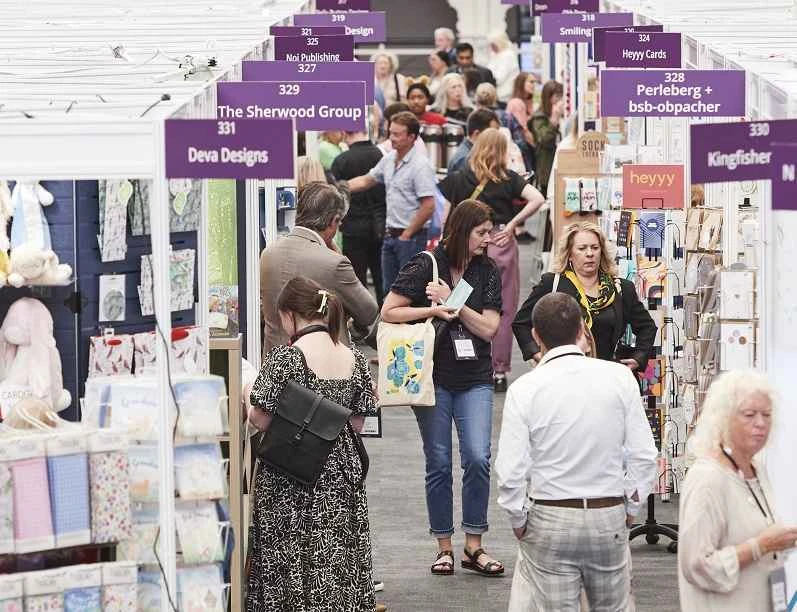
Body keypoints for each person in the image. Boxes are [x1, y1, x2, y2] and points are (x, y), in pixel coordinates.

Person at [496, 292, 658, 611]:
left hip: (550, 514)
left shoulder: (525, 389)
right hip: (607, 511)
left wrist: (518, 518)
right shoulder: (619, 378)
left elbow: (511, 470)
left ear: (536, 336)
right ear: (583, 329)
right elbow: (643, 455)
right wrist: (630, 507)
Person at [381, 200, 505, 578]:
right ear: (462, 231)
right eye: (481, 232)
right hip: (432, 376)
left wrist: (453, 301)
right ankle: (444, 547)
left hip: (475, 376)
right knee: (437, 461)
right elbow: (389, 311)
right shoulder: (426, 264)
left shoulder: (486, 271)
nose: (488, 239)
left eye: (489, 232)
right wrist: (432, 310)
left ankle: (474, 544)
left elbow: (489, 328)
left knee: (478, 457)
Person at [247, 277, 376, 610]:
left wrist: (247, 395)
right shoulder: (355, 359)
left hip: (292, 474)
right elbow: (358, 423)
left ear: (290, 315)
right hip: (341, 472)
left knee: (291, 555)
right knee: (337, 556)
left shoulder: (286, 359)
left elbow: (260, 418)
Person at [678, 371, 797, 612]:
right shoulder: (707, 478)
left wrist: (781, 541)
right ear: (723, 418)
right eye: (749, 415)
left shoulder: (756, 469)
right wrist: (760, 546)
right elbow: (696, 565)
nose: (760, 423)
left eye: (767, 415)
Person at [439, 128, 545, 391]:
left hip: (464, 244)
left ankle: (463, 356)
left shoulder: (458, 178)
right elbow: (537, 199)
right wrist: (512, 225)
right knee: (502, 306)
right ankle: (498, 369)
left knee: (460, 298)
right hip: (499, 241)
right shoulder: (508, 179)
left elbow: (446, 216)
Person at [513, 222, 657, 371]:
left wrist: (638, 358)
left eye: (595, 247)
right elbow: (521, 323)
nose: (589, 253)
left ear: (602, 252)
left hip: (606, 373)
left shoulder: (621, 289)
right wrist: (538, 355)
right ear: (569, 254)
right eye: (582, 248)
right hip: (564, 373)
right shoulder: (552, 283)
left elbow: (647, 327)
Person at [259, 183, 378, 351]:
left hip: (275, 358)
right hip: (319, 361)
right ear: (333, 221)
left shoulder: (268, 254)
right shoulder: (334, 263)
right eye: (339, 222)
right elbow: (368, 312)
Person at [345, 112, 437, 295]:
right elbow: (366, 181)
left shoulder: (420, 165)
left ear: (411, 137)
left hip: (411, 238)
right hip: (391, 236)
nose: (391, 138)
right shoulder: (389, 159)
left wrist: (407, 234)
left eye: (396, 134)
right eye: (390, 133)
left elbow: (429, 205)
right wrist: (337, 188)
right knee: (389, 290)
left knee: (408, 292)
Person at [330, 129, 387, 307]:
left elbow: (335, 195)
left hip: (353, 227)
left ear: (346, 134)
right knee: (382, 278)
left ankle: (362, 318)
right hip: (380, 225)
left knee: (356, 281)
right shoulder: (381, 157)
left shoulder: (341, 160)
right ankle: (386, 317)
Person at [473, 82, 529, 173]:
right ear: (495, 97)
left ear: (477, 98)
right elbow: (521, 143)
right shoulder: (507, 117)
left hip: (481, 166)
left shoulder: (473, 118)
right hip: (505, 164)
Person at [528, 80, 564, 200]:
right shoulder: (539, 117)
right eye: (557, 96)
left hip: (557, 166)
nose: (560, 100)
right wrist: (553, 121)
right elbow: (544, 139)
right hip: (546, 170)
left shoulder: (556, 115)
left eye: (561, 96)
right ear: (548, 97)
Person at [446, 108, 499, 174]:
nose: (497, 139)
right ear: (476, 134)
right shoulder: (464, 161)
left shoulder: (473, 155)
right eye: (493, 134)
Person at [485, 30, 520, 103]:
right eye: (491, 45)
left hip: (505, 96)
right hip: (495, 94)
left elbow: (499, 78)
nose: (492, 47)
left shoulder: (508, 55)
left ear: (499, 43)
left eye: (493, 45)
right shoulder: (494, 55)